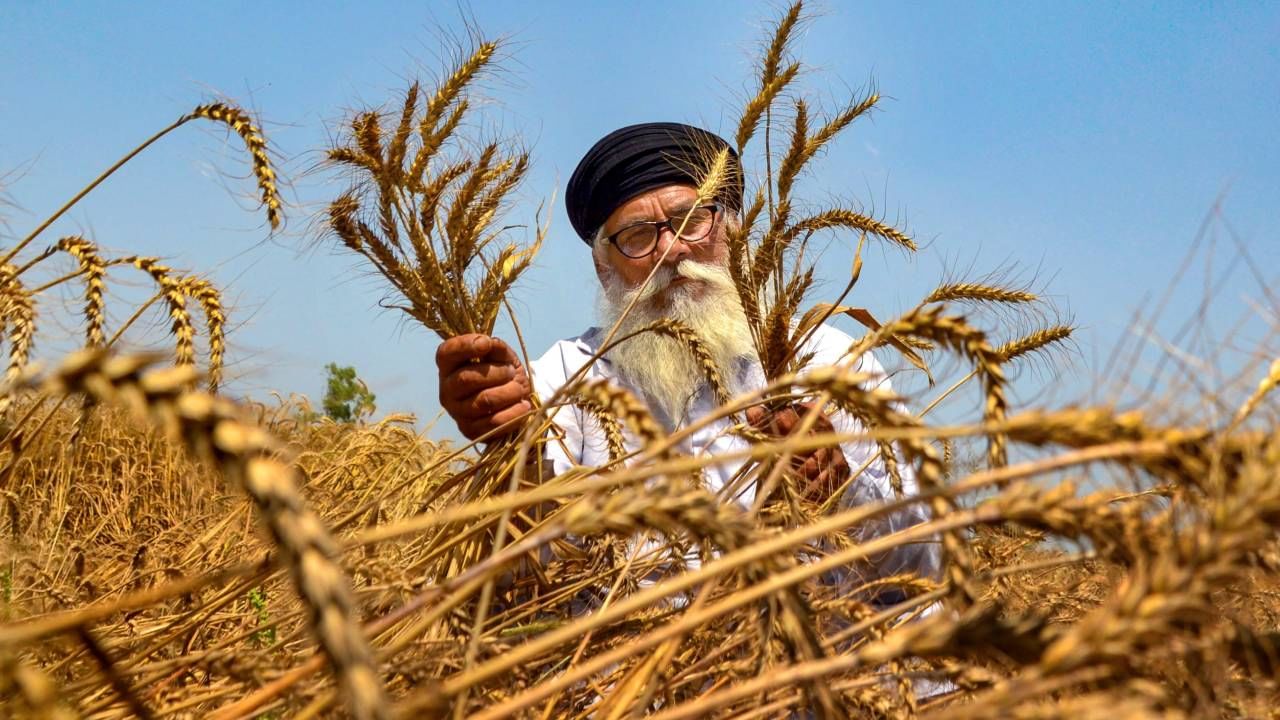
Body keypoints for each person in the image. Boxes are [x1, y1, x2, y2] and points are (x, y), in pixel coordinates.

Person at [434, 122, 940, 600]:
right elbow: (525, 567)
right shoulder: (570, 374)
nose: (671, 250)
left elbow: (927, 556)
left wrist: (839, 493)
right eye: (637, 236)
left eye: (691, 219)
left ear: (733, 231)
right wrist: (514, 454)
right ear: (604, 269)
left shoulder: (829, 361)